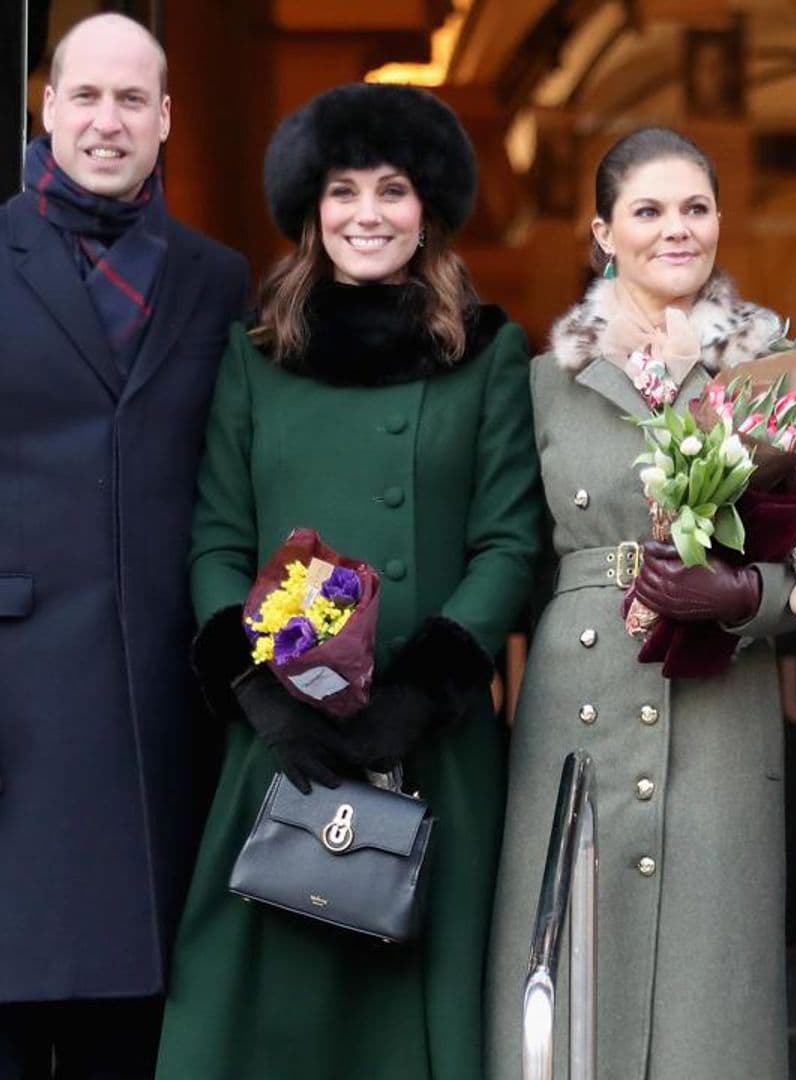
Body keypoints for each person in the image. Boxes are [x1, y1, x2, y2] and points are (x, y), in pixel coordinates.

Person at [153, 83, 542, 1080]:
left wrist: (420, 690)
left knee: (411, 1025)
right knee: (266, 1025)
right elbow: (215, 542)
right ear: (309, 210)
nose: (367, 213)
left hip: (432, 746)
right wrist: (255, 693)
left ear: (430, 209)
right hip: (281, 745)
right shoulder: (254, 359)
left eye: (393, 189)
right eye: (342, 190)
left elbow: (509, 542)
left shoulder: (490, 354)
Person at [487, 126, 796, 1080]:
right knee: (565, 992)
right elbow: (504, 553)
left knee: (706, 1009)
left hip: (720, 714)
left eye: (696, 208)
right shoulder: (543, 384)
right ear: (603, 231)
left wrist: (744, 593)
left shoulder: (776, 371)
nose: (676, 229)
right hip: (574, 706)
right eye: (648, 210)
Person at [0, 13, 248, 1077]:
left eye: (132, 100)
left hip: (158, 705)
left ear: (165, 120)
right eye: (86, 97)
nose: (108, 121)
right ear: (47, 109)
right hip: (14, 693)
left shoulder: (216, 278)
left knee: (137, 1027)